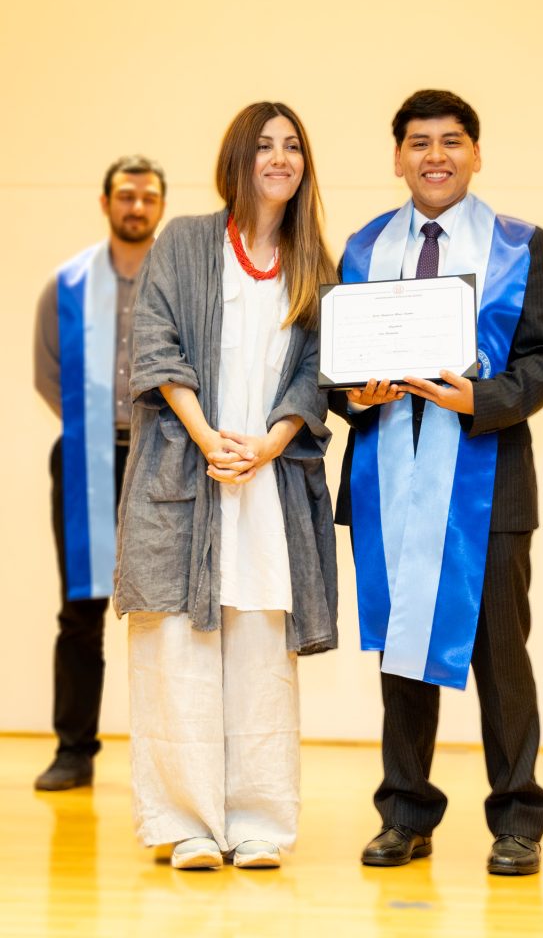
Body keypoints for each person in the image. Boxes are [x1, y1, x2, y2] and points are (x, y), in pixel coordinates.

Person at [332, 89, 543, 875]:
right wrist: (354, 393)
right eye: (417, 142)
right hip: (386, 478)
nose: (433, 155)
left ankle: (517, 819)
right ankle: (404, 813)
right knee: (401, 652)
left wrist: (484, 398)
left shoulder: (519, 246)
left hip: (487, 482)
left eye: (450, 140)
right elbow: (333, 367)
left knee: (500, 658)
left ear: (475, 153)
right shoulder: (364, 248)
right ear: (396, 157)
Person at [114, 102, 338, 871]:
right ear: (237, 159)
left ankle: (257, 823)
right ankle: (184, 824)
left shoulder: (314, 264)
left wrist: (269, 444)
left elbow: (315, 375)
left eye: (292, 146)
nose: (280, 158)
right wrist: (210, 438)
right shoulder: (182, 242)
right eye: (264, 145)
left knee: (260, 654)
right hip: (186, 474)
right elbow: (156, 347)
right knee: (174, 650)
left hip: (268, 486)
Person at [33, 156, 167, 791]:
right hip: (88, 456)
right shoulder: (67, 284)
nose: (136, 206)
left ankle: (168, 761)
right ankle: (73, 750)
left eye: (147, 197)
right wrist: (93, 430)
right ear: (106, 202)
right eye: (125, 195)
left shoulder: (177, 281)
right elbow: (47, 372)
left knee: (167, 611)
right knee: (81, 608)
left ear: (160, 206)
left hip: (162, 459)